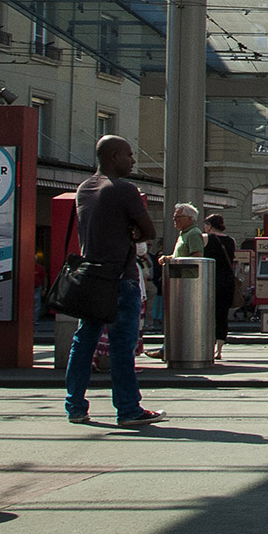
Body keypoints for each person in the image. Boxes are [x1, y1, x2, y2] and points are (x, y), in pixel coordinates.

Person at [63, 135, 164, 427]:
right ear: (113, 156)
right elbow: (149, 231)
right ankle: (128, 409)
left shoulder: (84, 188)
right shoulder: (124, 189)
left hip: (92, 278)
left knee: (83, 342)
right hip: (121, 278)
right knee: (122, 346)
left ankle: (75, 406)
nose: (133, 160)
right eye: (129, 154)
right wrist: (133, 232)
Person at [200, 215, 236, 362]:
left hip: (210, 279)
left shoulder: (205, 238)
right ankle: (219, 349)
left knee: (207, 314)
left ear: (209, 225)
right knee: (222, 315)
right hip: (227, 280)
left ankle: (207, 346)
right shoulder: (231, 241)